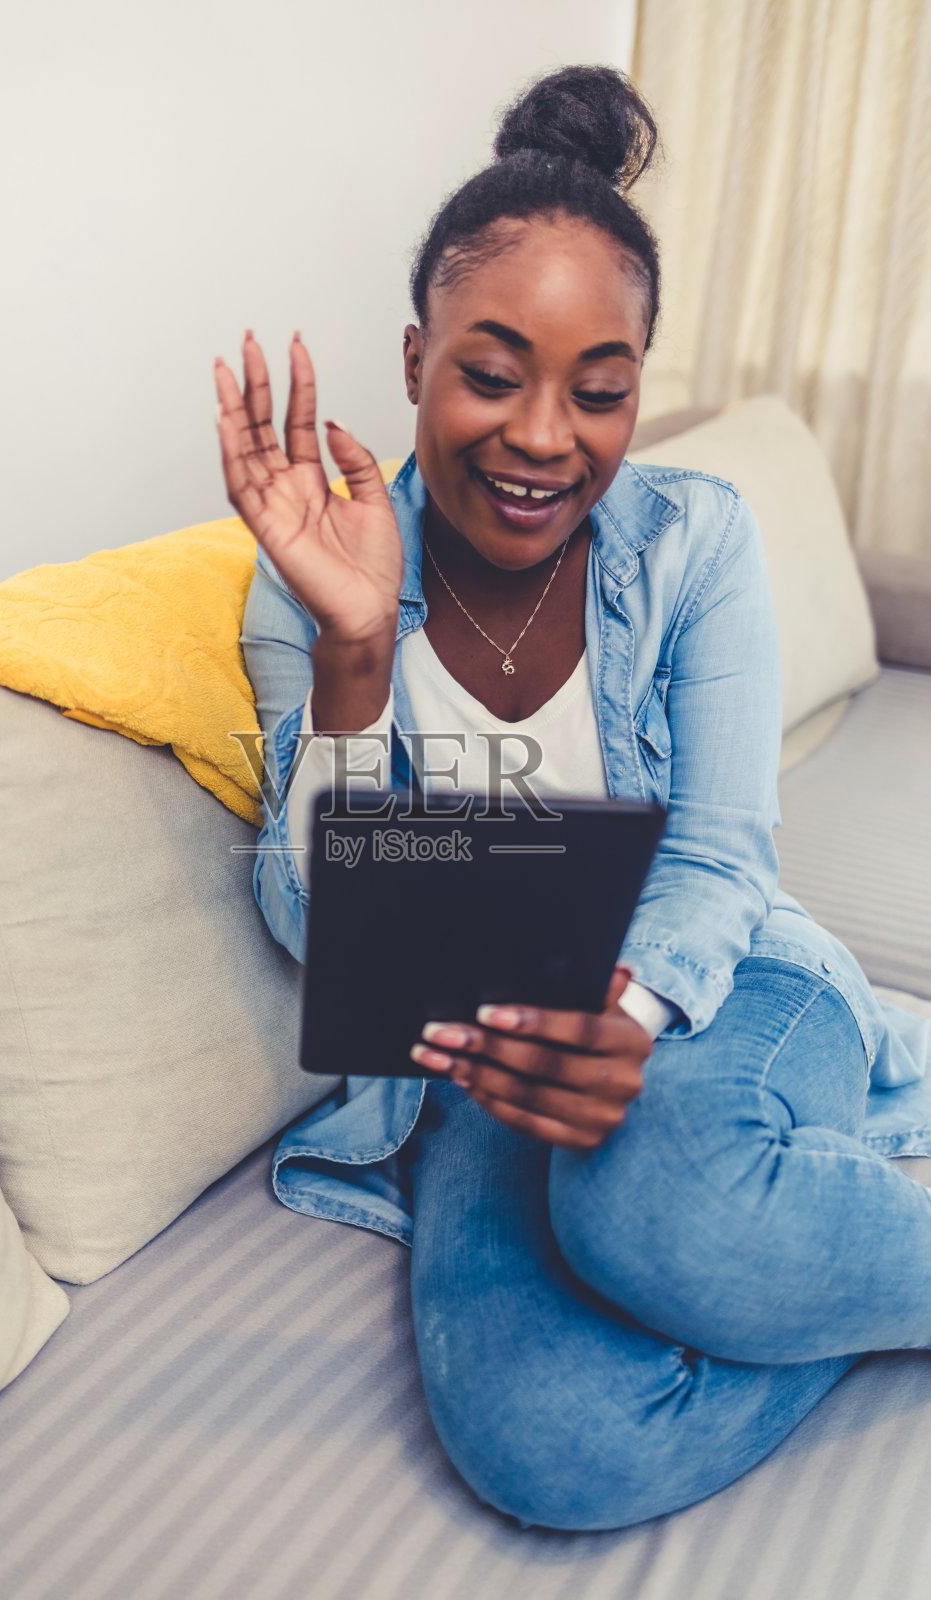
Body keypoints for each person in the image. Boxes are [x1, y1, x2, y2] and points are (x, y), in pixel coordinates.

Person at [213, 65, 931, 1531]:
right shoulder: (310, 591)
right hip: (477, 1081)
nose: (547, 438)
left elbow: (723, 853)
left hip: (720, 992)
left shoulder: (693, 542)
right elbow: (319, 935)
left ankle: (769, 1221)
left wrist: (633, 1018)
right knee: (554, 1447)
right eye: (491, 374)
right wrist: (357, 651)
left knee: (649, 1198)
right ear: (415, 357)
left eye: (600, 393)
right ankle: (812, 1253)